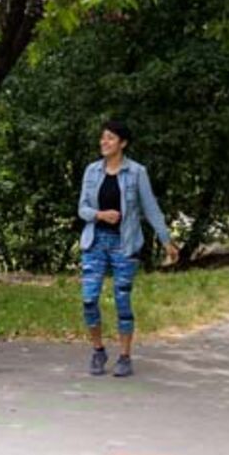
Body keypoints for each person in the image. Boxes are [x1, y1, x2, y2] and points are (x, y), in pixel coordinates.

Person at [77, 120, 179, 379]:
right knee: (89, 299)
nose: (104, 142)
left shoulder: (136, 172)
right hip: (95, 241)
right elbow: (82, 209)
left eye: (110, 138)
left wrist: (166, 240)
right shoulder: (91, 171)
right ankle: (98, 350)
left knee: (122, 300)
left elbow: (150, 208)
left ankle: (124, 356)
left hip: (125, 243)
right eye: (102, 138)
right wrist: (100, 214)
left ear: (122, 143)